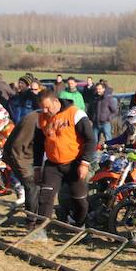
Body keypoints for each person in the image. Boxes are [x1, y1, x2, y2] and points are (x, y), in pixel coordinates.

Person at [30, 89, 96, 238]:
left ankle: (81, 226)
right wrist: (36, 167)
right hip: (53, 164)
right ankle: (40, 231)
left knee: (79, 199)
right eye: (42, 108)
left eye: (48, 107)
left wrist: (85, 163)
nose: (45, 111)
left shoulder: (75, 114)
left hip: (75, 163)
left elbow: (91, 139)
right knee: (45, 197)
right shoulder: (42, 119)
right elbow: (38, 145)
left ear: (56, 101)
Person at [2, 108, 40, 222]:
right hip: (19, 158)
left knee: (38, 187)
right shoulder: (32, 120)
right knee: (32, 186)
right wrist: (24, 170)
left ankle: (36, 216)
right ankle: (32, 221)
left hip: (31, 157)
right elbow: (16, 148)